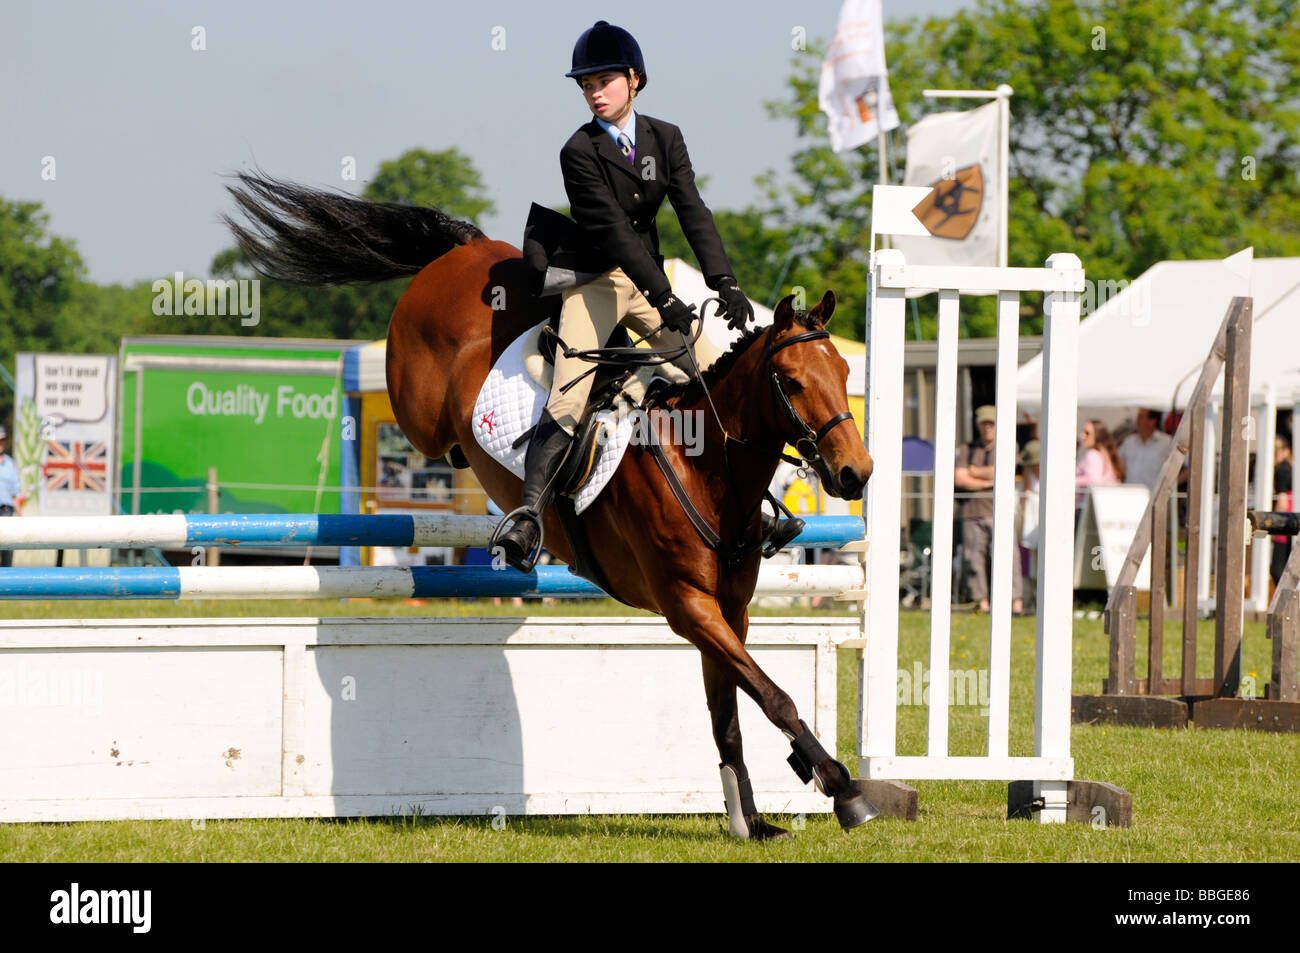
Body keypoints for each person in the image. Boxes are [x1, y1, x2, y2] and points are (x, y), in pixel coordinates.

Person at [495, 20, 798, 572]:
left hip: (649, 281)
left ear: (635, 80)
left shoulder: (666, 137)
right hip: (597, 281)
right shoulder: (578, 151)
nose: (593, 91)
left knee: (712, 375)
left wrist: (724, 282)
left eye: (604, 80)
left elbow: (692, 210)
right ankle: (527, 516)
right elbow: (612, 231)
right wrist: (665, 297)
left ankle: (760, 506)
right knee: (569, 393)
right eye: (585, 84)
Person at [954, 405, 1024, 614]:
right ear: (978, 425)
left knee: (1008, 557)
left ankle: (1015, 603)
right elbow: (959, 478)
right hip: (971, 511)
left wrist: (974, 473)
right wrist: (989, 481)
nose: (987, 428)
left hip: (999, 510)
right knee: (973, 559)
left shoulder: (1009, 446)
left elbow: (1003, 472)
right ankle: (982, 602)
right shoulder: (967, 448)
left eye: (991, 423)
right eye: (984, 423)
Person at [1118, 408, 1173, 492]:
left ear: (1152, 421)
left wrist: (1170, 483)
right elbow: (1117, 462)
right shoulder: (1129, 441)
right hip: (1129, 495)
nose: (1137, 420)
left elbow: (1186, 463)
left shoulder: (1166, 442)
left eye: (1140, 417)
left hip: (1153, 498)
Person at [1076, 419, 1123, 507]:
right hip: (1106, 504)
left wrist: (1072, 481)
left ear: (1097, 435)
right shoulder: (1105, 453)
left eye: (1087, 433)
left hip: (1090, 507)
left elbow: (1094, 480)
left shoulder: (1093, 454)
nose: (1082, 435)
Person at [1272, 431, 1293, 584]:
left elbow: (1283, 501)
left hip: (1285, 519)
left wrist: (1273, 527)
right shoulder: (1291, 469)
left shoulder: (1281, 470)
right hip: (1293, 518)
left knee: (1277, 569)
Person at [0, 426, 19, 568]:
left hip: (6, 511)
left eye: (2, 440)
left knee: (7, 546)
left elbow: (15, 494)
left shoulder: (10, 464)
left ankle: (7, 580)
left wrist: (20, 516)